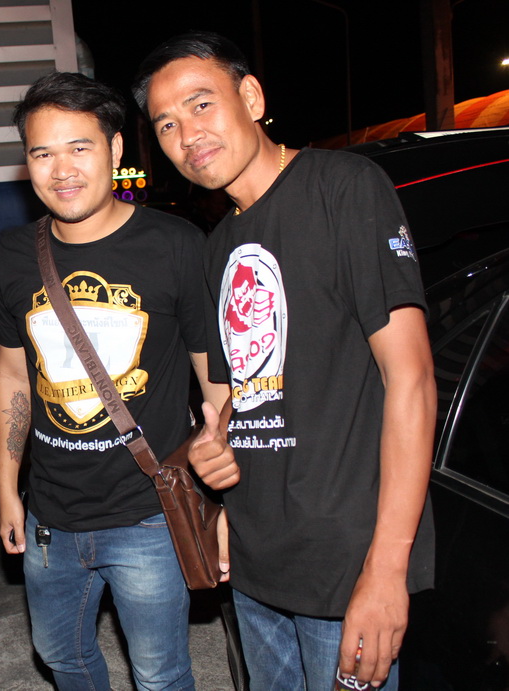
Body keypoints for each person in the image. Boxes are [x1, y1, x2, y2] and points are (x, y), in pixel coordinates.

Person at [133, 31, 436, 690]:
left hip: (343, 569)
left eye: (201, 104)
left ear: (251, 97)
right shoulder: (219, 246)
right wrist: (213, 460)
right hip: (254, 565)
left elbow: (410, 379)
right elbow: (237, 401)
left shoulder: (343, 187)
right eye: (166, 124)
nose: (187, 134)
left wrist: (387, 569)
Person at [0, 71, 228, 690]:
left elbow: (215, 381)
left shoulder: (175, 244)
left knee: (159, 674)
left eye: (80, 147)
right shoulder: (15, 252)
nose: (61, 170)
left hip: (148, 514)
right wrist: (8, 489)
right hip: (50, 518)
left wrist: (230, 500)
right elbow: (14, 374)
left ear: (116, 149)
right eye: (43, 153)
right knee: (62, 657)